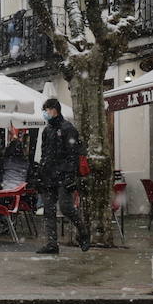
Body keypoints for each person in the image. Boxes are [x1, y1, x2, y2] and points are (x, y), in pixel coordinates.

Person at [36, 97, 91, 254]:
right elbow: (45, 153)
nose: (45, 113)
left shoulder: (68, 128)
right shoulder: (47, 131)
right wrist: (41, 172)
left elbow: (73, 154)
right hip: (49, 176)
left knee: (66, 207)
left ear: (54, 110)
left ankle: (83, 232)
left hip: (63, 175)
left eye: (46, 110)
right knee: (49, 209)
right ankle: (52, 243)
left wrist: (70, 175)